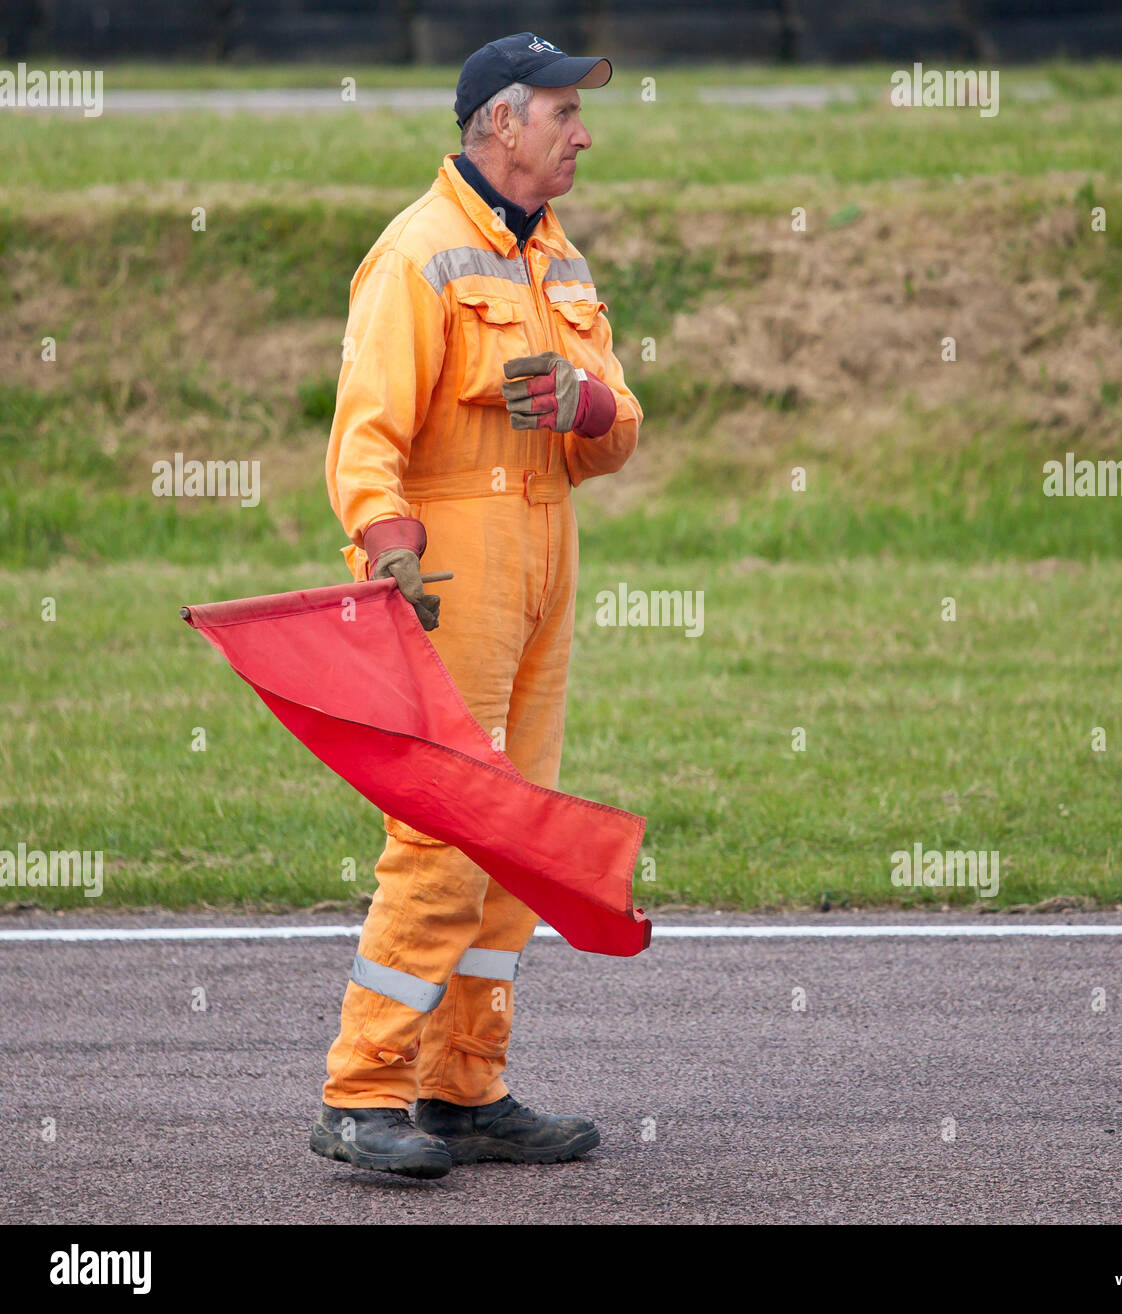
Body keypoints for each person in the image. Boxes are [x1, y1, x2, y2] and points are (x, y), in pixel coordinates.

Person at [310, 32, 641, 1179]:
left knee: (515, 835)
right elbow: (365, 436)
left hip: (547, 561)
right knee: (445, 829)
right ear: (502, 124)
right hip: (452, 577)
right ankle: (361, 1093)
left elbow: (621, 434)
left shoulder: (561, 260)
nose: (582, 133)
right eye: (562, 114)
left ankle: (464, 1088)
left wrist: (589, 405)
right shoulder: (417, 254)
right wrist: (390, 549)